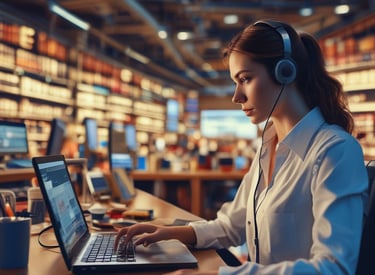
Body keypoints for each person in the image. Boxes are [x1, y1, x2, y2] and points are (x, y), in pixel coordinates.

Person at [115, 19, 368, 274]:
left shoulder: (334, 151)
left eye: (245, 79)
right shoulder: (269, 146)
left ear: (285, 72)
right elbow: (231, 225)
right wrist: (170, 233)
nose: (237, 97)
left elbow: (333, 268)